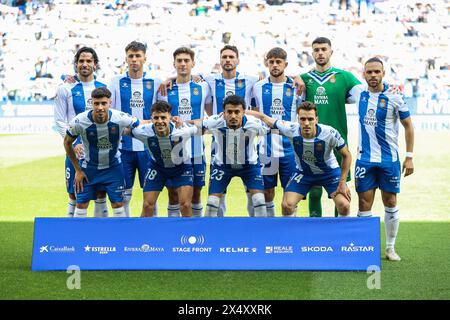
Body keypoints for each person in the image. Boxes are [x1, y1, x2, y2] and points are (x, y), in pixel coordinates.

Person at [347, 57, 414, 261]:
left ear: (383, 73)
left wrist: (409, 156)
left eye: (377, 72)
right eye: (369, 72)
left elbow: (408, 126)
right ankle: (364, 249)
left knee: (391, 201)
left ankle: (390, 248)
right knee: (364, 203)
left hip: (388, 160)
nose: (373, 75)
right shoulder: (359, 93)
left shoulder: (395, 96)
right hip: (364, 159)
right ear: (364, 74)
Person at [247, 101, 352, 217]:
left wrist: (342, 182)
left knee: (344, 205)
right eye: (303, 119)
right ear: (298, 119)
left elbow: (347, 155)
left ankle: (341, 233)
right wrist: (241, 112)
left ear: (316, 119)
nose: (306, 123)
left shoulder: (329, 133)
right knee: (287, 205)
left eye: (310, 119)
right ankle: (289, 234)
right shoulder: (291, 129)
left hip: (329, 173)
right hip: (303, 173)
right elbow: (263, 117)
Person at [300, 37, 361, 217]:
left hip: (338, 140)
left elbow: (366, 93)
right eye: (316, 50)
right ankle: (315, 232)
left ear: (331, 52)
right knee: (315, 190)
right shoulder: (305, 79)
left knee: (340, 191)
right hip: (312, 140)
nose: (320, 53)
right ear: (312, 53)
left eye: (324, 49)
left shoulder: (344, 77)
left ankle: (338, 234)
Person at [63, 87, 140, 218]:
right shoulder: (79, 121)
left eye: (103, 103)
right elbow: (67, 142)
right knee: (81, 205)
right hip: (88, 169)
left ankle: (118, 238)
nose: (100, 107)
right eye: (96, 103)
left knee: (118, 205)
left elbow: (138, 124)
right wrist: (78, 170)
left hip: (113, 168)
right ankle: (78, 238)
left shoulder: (119, 117)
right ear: (91, 103)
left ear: (109, 103)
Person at [54, 47, 109, 218]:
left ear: (95, 64)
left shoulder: (104, 87)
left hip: (99, 150)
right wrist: (73, 143)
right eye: (81, 61)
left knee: (101, 194)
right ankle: (71, 235)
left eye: (88, 61)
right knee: (74, 193)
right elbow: (59, 121)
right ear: (76, 64)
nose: (84, 64)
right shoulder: (65, 88)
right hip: (75, 150)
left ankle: (100, 234)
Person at [109, 41, 162, 217]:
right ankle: (126, 232)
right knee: (123, 196)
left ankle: (150, 230)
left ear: (144, 58)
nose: (134, 60)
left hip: (148, 149)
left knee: (151, 197)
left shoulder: (155, 82)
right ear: (126, 59)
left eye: (137, 56)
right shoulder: (116, 82)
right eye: (131, 56)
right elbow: (112, 113)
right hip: (123, 148)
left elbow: (161, 114)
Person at [158, 47, 211, 218]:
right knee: (173, 195)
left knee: (196, 194)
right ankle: (173, 234)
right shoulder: (164, 90)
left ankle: (196, 230)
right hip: (172, 150)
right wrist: (169, 79)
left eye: (186, 60)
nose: (182, 64)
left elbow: (210, 114)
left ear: (193, 64)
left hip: (196, 149)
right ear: (173, 63)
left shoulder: (203, 86)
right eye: (179, 61)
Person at [199, 95, 268, 218]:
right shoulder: (214, 121)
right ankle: (210, 234)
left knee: (259, 201)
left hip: (249, 167)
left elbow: (272, 128)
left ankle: (260, 234)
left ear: (243, 113)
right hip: (223, 167)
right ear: (223, 113)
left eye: (237, 112)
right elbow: (196, 125)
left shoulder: (254, 124)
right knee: (211, 203)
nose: (233, 116)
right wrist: (177, 123)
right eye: (229, 112)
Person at [125, 101, 198, 217]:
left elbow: (201, 128)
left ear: (170, 117)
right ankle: (145, 233)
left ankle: (187, 232)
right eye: (156, 118)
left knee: (185, 205)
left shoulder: (183, 130)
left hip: (182, 168)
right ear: (151, 119)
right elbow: (123, 130)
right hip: (157, 168)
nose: (160, 121)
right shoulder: (143, 131)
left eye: (163, 117)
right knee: (147, 205)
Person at [252, 47, 300, 217]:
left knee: (291, 193)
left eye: (278, 62)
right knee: (266, 192)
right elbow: (255, 111)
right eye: (271, 61)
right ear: (267, 63)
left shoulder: (296, 86)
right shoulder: (258, 86)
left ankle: (291, 229)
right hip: (266, 148)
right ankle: (272, 228)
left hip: (291, 149)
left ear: (285, 64)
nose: (274, 65)